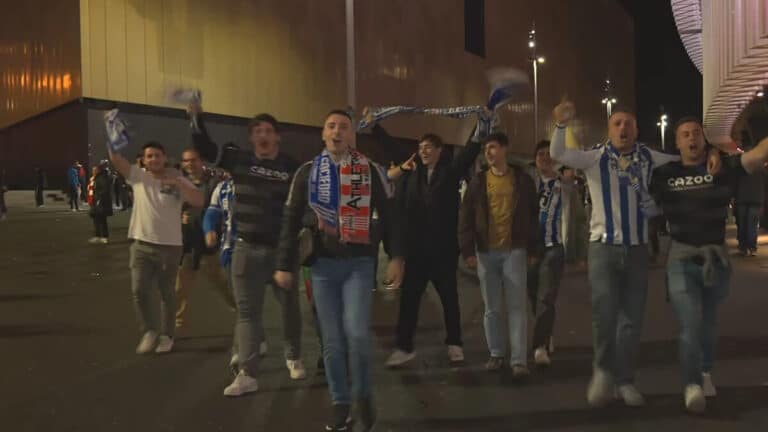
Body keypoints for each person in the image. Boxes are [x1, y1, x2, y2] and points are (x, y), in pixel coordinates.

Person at [549, 99, 720, 408]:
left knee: (631, 319)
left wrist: (714, 152)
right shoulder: (594, 158)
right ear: (609, 129)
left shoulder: (648, 157)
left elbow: (684, 156)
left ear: (637, 129)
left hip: (639, 249)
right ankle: (603, 372)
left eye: (628, 123)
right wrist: (561, 125)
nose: (623, 128)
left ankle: (625, 380)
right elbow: (559, 154)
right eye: (617, 123)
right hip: (603, 247)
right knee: (604, 314)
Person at [274, 110, 403, 432]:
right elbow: (291, 219)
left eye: (343, 127)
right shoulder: (307, 173)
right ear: (322, 134)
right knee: (331, 342)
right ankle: (341, 404)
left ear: (352, 136)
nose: (337, 131)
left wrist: (397, 256)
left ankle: (363, 395)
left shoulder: (369, 170)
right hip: (321, 267)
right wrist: (282, 263)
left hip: (359, 265)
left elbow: (389, 215)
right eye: (331, 126)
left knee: (357, 334)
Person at [650, 116, 768, 413]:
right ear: (676, 143)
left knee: (709, 324)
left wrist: (720, 151)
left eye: (696, 133)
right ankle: (691, 385)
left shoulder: (724, 167)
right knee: (690, 322)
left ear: (705, 139)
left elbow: (760, 153)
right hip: (681, 257)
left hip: (715, 259)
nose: (691, 138)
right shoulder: (664, 174)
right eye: (685, 134)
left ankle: (704, 372)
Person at [190, 103, 307, 396]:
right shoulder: (237, 160)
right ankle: (247, 373)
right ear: (251, 138)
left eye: (268, 131)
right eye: (257, 131)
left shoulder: (292, 167)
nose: (263, 135)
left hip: (282, 253)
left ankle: (293, 355)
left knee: (290, 308)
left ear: (277, 137)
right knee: (246, 313)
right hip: (246, 249)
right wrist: (196, 118)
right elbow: (205, 148)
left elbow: (303, 209)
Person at [384, 124, 485, 368]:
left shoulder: (450, 172)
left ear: (440, 150)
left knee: (449, 299)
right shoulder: (412, 173)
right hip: (416, 251)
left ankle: (455, 344)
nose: (423, 151)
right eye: (420, 148)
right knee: (409, 300)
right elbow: (392, 147)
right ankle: (404, 347)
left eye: (429, 147)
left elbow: (469, 152)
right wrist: (376, 126)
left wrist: (482, 125)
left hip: (443, 251)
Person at [109, 141, 204, 355]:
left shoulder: (178, 178)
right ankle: (149, 330)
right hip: (141, 244)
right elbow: (116, 159)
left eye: (157, 155)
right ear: (144, 159)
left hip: (169, 247)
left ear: (165, 157)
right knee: (139, 290)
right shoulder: (138, 176)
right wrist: (111, 131)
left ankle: (167, 335)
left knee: (167, 294)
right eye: (149, 156)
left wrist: (179, 184)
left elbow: (198, 200)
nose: (153, 159)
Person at [458, 133, 538, 377]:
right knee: (491, 308)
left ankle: (518, 360)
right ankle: (496, 353)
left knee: (516, 307)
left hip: (514, 250)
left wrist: (533, 249)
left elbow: (533, 217)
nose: (488, 153)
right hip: (486, 252)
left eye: (492, 147)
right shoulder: (478, 182)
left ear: (505, 149)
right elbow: (466, 218)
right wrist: (468, 250)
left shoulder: (522, 180)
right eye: (485, 149)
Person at [175, 148, 234, 329]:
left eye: (193, 160)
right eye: (186, 161)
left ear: (201, 161)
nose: (190, 164)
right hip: (188, 242)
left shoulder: (215, 183)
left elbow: (221, 207)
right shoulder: (180, 184)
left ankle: (239, 307)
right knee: (181, 284)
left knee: (219, 280)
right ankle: (177, 319)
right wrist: (180, 217)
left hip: (209, 241)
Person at [527, 140, 571, 367]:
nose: (544, 158)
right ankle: (546, 332)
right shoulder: (527, 183)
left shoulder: (563, 184)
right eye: (540, 154)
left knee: (546, 298)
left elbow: (578, 217)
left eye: (548, 154)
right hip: (529, 249)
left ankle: (539, 346)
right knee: (534, 296)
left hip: (553, 246)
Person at [734, 131, 765, 256]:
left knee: (742, 224)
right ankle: (752, 247)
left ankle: (743, 247)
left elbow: (734, 180)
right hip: (757, 198)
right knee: (752, 224)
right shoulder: (760, 164)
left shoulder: (739, 162)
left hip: (742, 198)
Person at [87, 163, 113, 244]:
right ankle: (97, 236)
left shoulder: (102, 178)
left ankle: (105, 237)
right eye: (93, 170)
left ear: (99, 170)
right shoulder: (93, 178)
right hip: (94, 201)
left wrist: (99, 199)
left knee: (102, 220)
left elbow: (104, 190)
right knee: (96, 220)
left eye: (95, 170)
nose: (93, 171)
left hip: (100, 202)